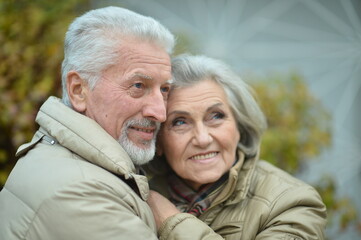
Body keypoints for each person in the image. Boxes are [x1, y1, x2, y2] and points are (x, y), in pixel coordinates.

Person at [0, 7, 217, 240]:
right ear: (79, 90)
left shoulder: (61, 160)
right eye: (138, 86)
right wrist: (172, 221)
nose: (160, 112)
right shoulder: (82, 194)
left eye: (164, 89)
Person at [146, 54, 327, 239]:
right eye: (180, 122)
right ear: (158, 140)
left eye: (216, 116)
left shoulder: (292, 201)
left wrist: (171, 221)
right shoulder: (135, 198)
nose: (202, 139)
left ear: (239, 125)